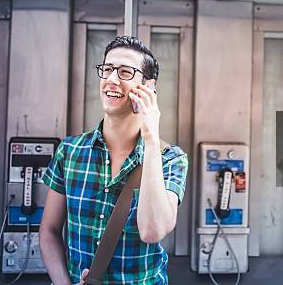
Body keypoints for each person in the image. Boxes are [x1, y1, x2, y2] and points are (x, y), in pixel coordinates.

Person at [40, 36, 188, 285]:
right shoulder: (70, 151)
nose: (111, 79)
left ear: (148, 87)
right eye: (107, 69)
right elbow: (49, 231)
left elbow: (152, 231)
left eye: (125, 72)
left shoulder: (170, 159)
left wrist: (151, 140)